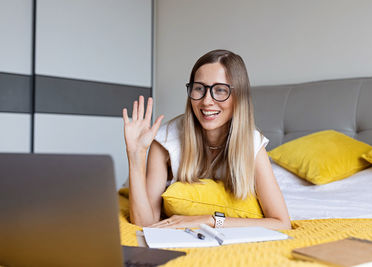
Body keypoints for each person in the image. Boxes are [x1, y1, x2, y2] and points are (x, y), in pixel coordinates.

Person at [122, 49, 291, 230]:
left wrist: (209, 220)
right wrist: (136, 155)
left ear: (238, 97)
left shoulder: (251, 144)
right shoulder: (165, 139)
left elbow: (282, 223)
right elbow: (146, 224)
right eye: (199, 89)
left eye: (220, 90)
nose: (206, 101)